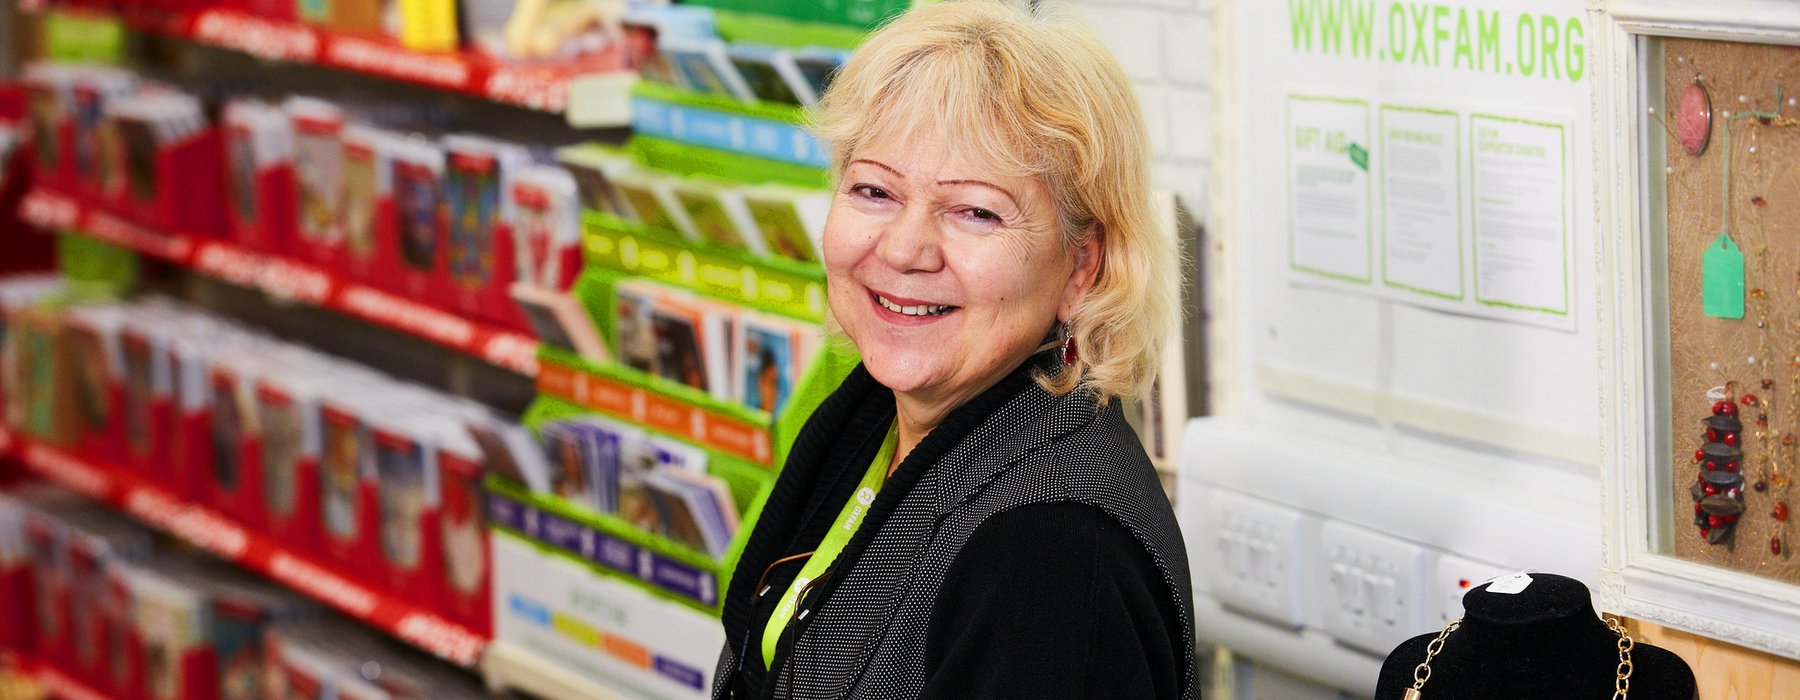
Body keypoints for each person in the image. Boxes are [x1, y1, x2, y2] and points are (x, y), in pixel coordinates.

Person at [712, 2, 1196, 699]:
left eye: (975, 210)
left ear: (1081, 267)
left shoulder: (1056, 564)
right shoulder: (875, 420)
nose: (904, 249)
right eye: (874, 190)